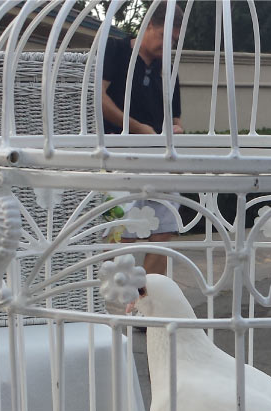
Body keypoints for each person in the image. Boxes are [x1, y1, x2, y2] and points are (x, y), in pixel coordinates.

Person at [101, 4, 183, 276]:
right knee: (120, 233)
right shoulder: (116, 50)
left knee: (162, 234)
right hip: (118, 155)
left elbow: (175, 119)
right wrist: (136, 127)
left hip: (159, 159)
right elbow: (97, 98)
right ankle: (113, 302)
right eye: (163, 37)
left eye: (174, 41)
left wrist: (175, 132)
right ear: (147, 26)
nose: (167, 45)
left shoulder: (168, 68)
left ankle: (150, 306)